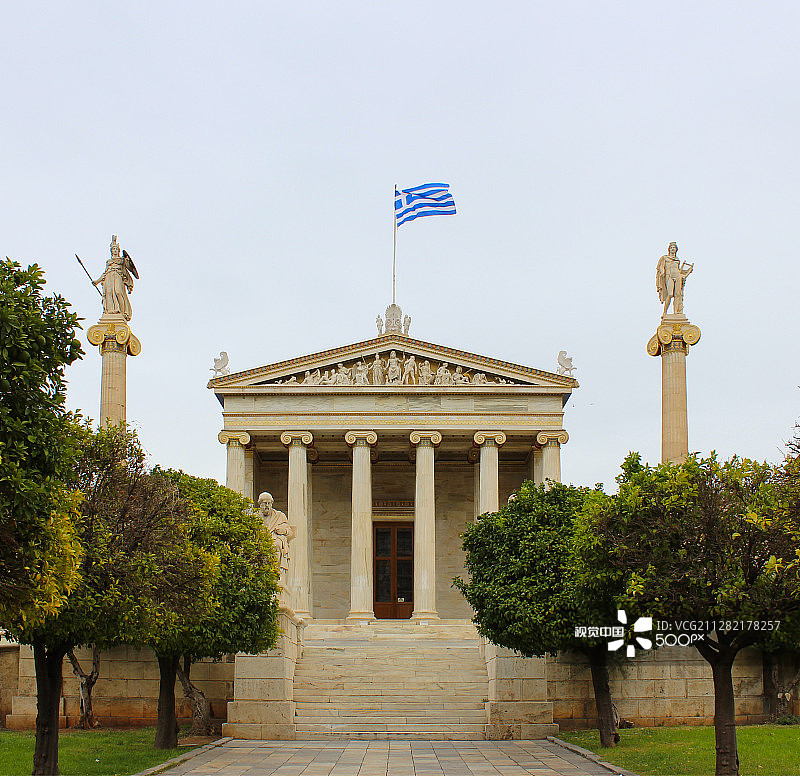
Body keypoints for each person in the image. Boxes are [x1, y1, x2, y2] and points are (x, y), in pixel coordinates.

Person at [94, 235, 135, 320]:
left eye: (116, 249)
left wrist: (129, 285)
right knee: (109, 293)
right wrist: (97, 281)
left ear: (118, 250)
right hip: (109, 277)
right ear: (111, 251)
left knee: (118, 292)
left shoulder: (122, 260)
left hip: (118, 276)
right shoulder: (109, 261)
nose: (115, 250)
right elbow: (105, 273)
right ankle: (111, 311)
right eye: (113, 249)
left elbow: (128, 269)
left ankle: (122, 312)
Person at [258, 492, 295, 578]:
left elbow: (289, 532)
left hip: (274, 541)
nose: (267, 506)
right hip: (259, 542)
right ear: (260, 504)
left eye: (269, 503)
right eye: (265, 503)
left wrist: (282, 531)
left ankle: (275, 575)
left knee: (277, 544)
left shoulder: (279, 516)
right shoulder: (255, 516)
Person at [656, 242, 693, 315]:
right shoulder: (665, 257)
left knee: (677, 294)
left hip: (677, 275)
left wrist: (687, 271)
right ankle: (664, 312)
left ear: (676, 250)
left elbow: (679, 270)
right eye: (671, 248)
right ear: (669, 249)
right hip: (669, 275)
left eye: (674, 248)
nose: (673, 249)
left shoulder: (677, 259)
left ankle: (676, 312)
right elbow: (660, 266)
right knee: (669, 294)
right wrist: (662, 271)